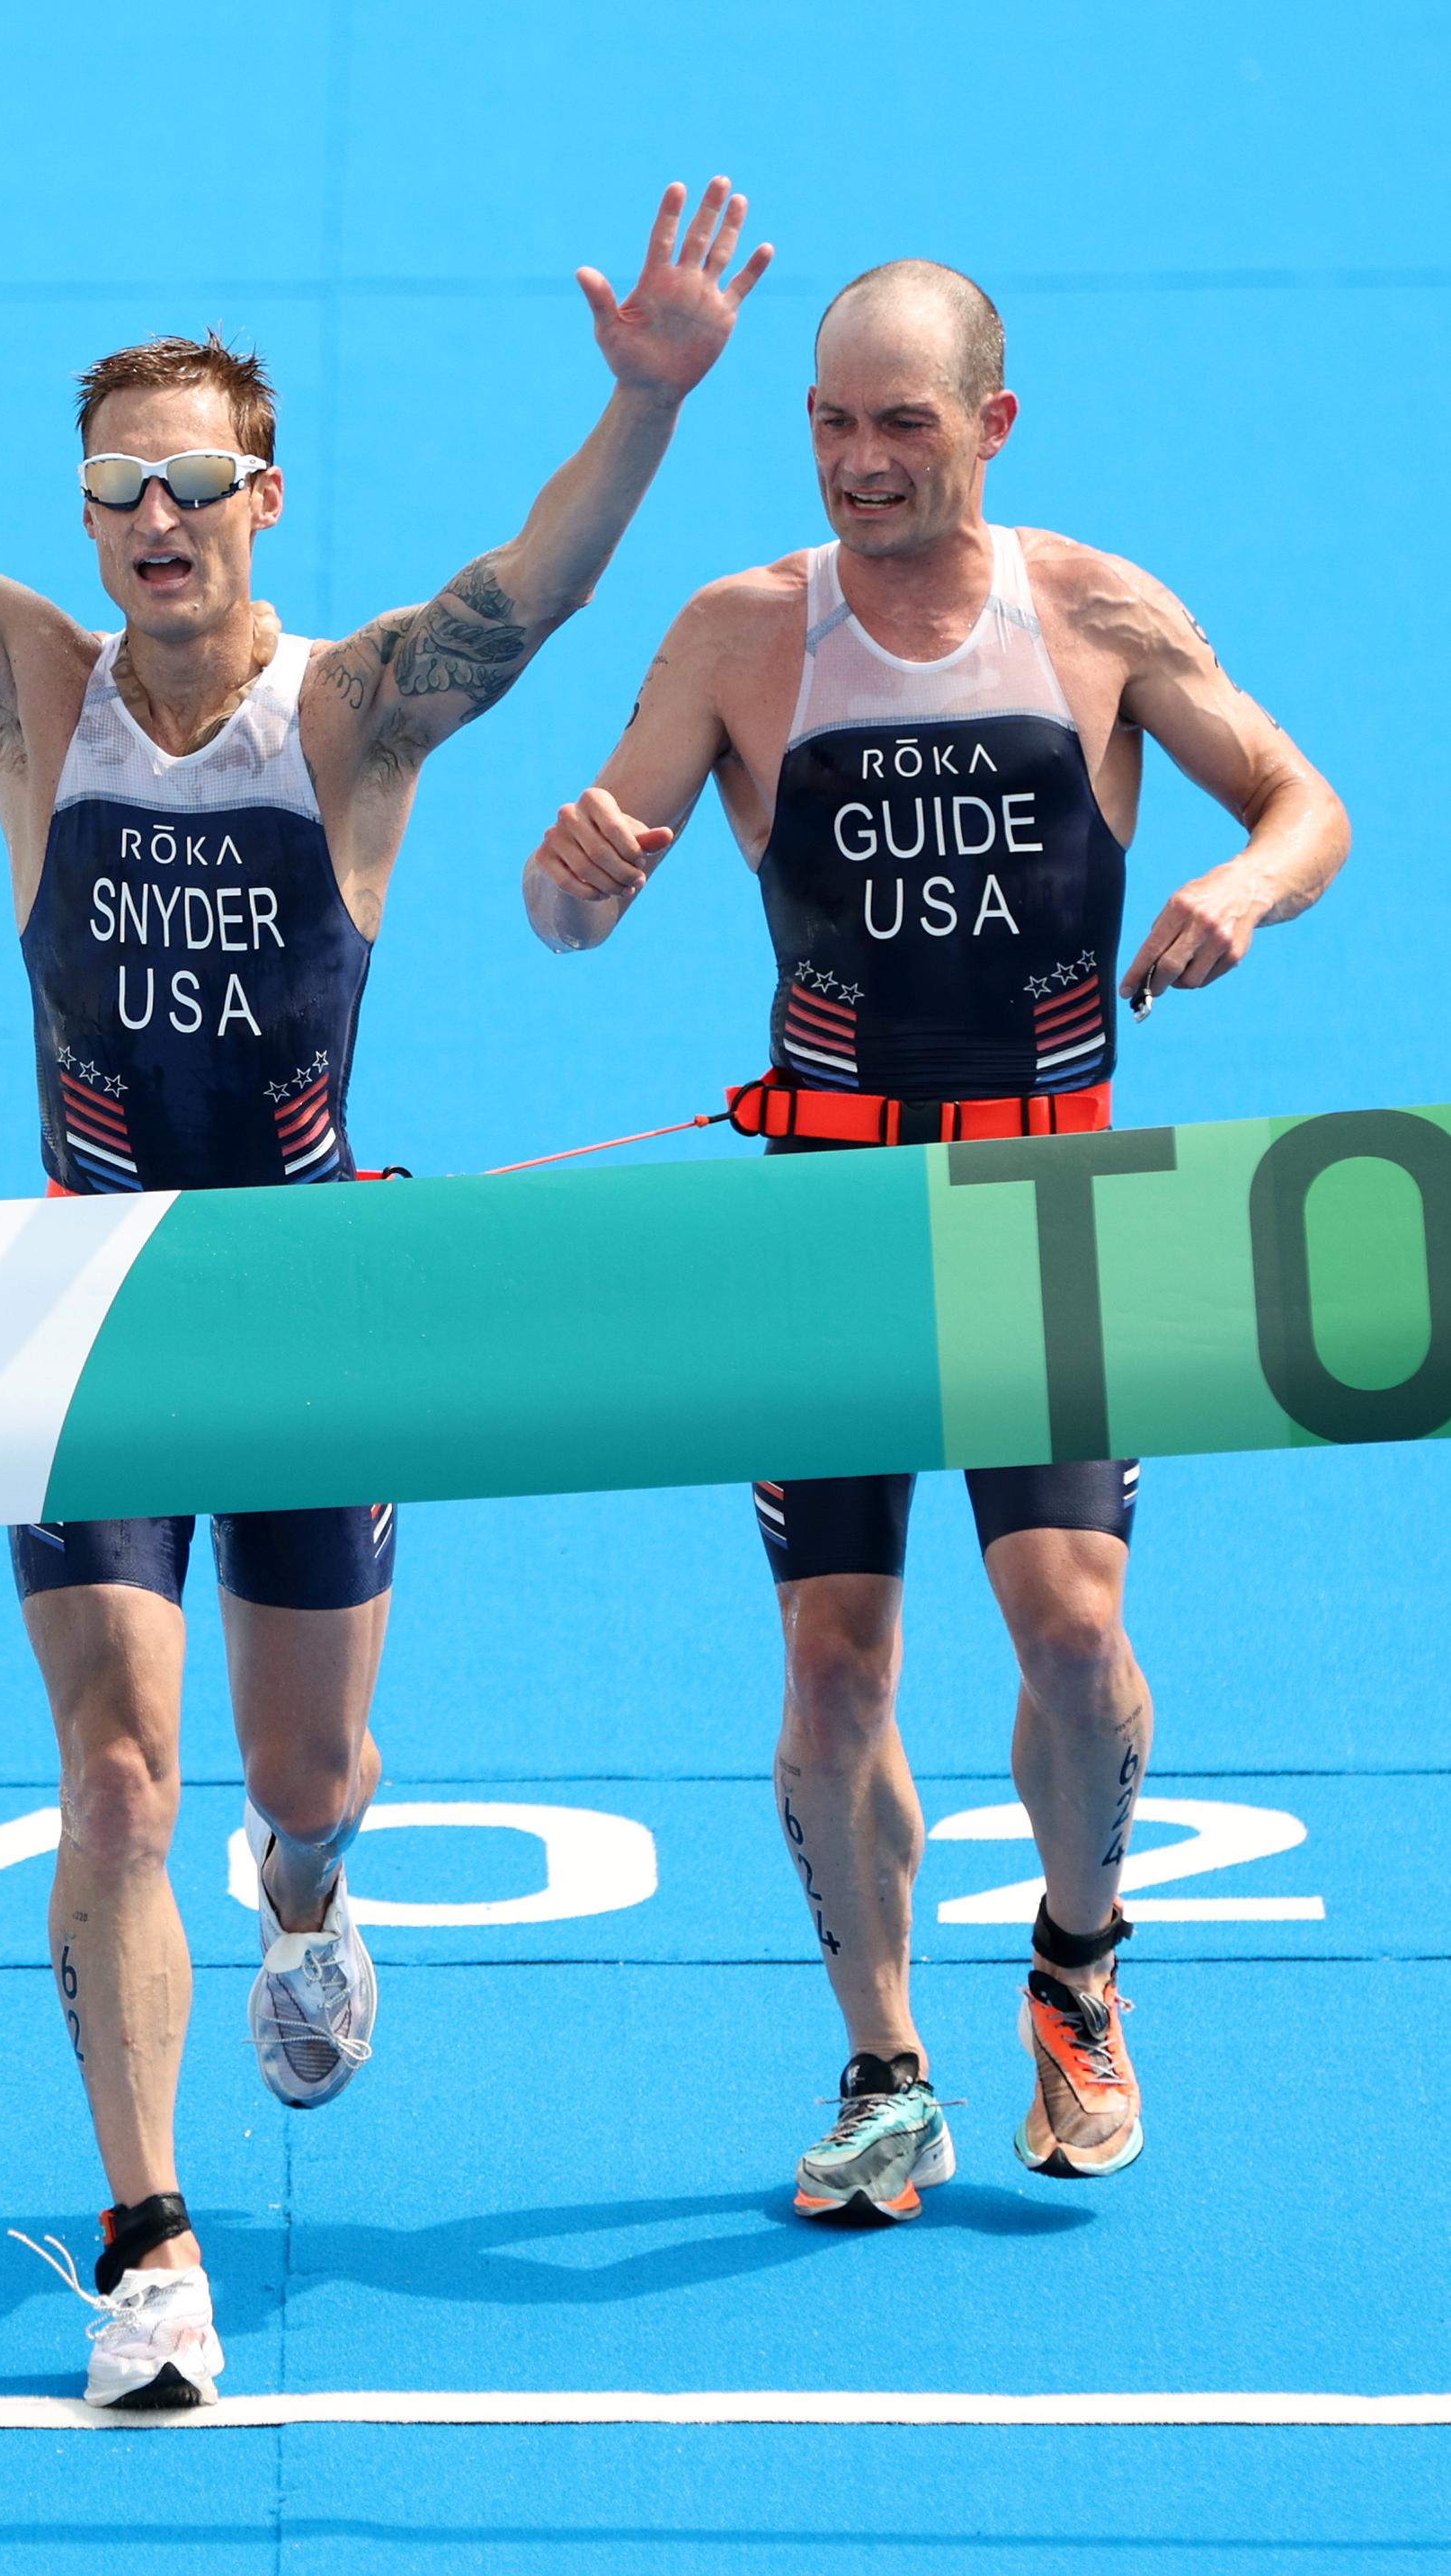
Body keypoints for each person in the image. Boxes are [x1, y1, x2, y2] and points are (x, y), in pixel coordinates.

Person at [0, 48, 771, 2403]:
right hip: (83, 1310)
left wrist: (650, 399)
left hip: (310, 1308)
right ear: (86, 515)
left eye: (193, 484)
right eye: (116, 489)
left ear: (262, 497)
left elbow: (537, 594)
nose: (155, 521)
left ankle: (314, 1901)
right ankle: (150, 2239)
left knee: (295, 1788)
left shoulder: (351, 714)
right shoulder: (23, 689)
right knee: (114, 1771)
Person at [524, 258, 1348, 2222]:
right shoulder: (740, 633)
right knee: (834, 1668)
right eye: (831, 422)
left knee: (1074, 1632)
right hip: (828, 1230)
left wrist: (1244, 887)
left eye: (903, 422)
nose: (861, 460)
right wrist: (574, 880)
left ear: (994, 421)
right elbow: (573, 908)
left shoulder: (1098, 613)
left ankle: (1077, 1964)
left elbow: (1306, 801)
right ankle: (886, 2068)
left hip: (1047, 1213)